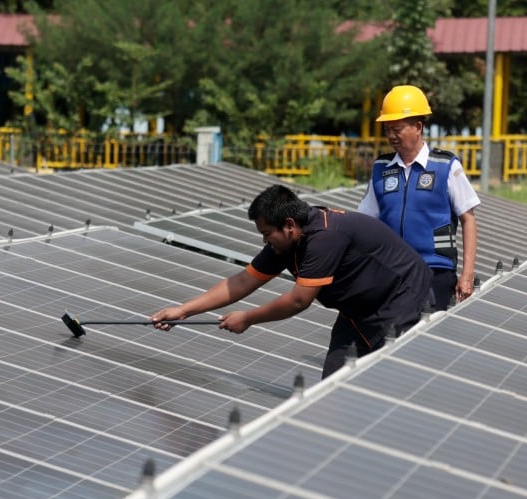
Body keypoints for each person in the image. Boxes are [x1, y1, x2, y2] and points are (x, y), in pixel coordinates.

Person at [151, 184, 433, 379]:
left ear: (289, 224)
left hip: (401, 299)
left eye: (266, 233)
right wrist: (183, 310)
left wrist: (248, 318)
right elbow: (242, 281)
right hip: (358, 311)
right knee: (335, 381)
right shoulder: (285, 243)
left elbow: (299, 300)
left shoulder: (324, 237)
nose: (264, 240)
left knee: (387, 380)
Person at [357, 84, 479, 311]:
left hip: (435, 270)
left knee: (426, 329)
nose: (391, 136)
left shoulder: (446, 166)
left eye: (397, 129)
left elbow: (468, 219)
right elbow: (365, 222)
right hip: (390, 270)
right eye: (387, 129)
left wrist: (467, 274)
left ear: (418, 127)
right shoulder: (381, 168)